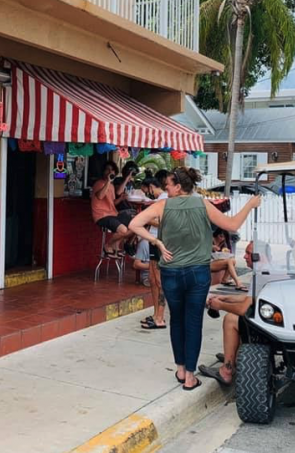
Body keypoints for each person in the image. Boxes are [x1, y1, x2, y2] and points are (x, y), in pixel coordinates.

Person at [129, 167, 261, 391]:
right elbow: (232, 225)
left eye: (169, 185)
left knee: (177, 321)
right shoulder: (203, 204)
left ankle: (180, 368)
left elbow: (134, 225)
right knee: (192, 323)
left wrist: (157, 242)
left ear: (178, 186)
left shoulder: (162, 206)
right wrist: (249, 205)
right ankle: (190, 376)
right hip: (198, 273)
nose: (166, 189)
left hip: (171, 272)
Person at [199, 242, 263, 386]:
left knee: (231, 319)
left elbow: (243, 309)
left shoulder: (261, 275)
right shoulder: (266, 271)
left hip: (264, 326)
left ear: (260, 256)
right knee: (237, 316)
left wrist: (220, 305)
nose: (245, 257)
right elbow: (249, 298)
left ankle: (227, 370)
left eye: (248, 253)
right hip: (264, 318)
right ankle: (233, 356)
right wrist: (225, 298)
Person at [140, 176, 170, 330]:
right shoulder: (158, 200)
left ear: (151, 186)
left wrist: (144, 219)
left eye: (146, 190)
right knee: (153, 280)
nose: (146, 193)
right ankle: (155, 313)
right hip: (153, 240)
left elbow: (164, 222)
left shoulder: (164, 200)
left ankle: (160, 317)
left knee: (159, 281)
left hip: (160, 241)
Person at [91, 160, 134, 256]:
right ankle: (108, 245)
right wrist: (108, 181)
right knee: (123, 230)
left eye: (112, 170)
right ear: (103, 171)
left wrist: (121, 198)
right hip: (101, 216)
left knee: (134, 225)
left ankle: (116, 245)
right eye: (107, 170)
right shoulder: (99, 183)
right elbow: (100, 196)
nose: (110, 172)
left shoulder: (111, 186)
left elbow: (113, 203)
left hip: (112, 214)